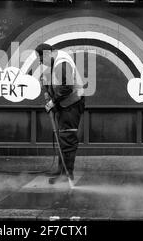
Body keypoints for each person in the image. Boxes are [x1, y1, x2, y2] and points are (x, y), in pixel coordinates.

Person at [35, 43, 85, 184]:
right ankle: (61, 170)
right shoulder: (56, 62)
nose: (39, 62)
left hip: (71, 106)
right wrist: (47, 84)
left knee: (67, 139)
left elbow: (67, 87)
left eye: (40, 59)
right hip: (65, 105)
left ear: (46, 54)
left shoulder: (62, 63)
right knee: (63, 138)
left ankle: (67, 175)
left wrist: (52, 102)